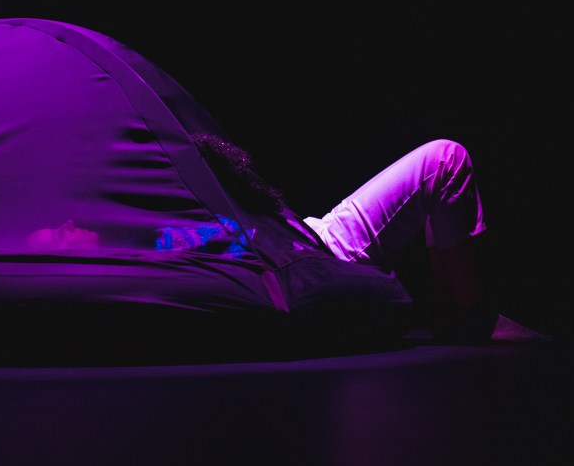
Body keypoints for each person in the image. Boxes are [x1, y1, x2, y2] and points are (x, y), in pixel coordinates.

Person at [28, 134, 519, 343]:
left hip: (308, 238)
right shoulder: (146, 254)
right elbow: (239, 248)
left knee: (441, 165)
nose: (68, 224)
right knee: (444, 158)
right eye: (59, 234)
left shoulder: (138, 231)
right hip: (320, 252)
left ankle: (459, 319)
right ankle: (472, 320)